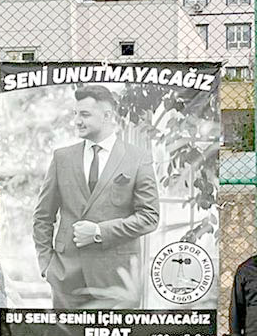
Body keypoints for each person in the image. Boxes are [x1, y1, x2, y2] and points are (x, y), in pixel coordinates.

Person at [31, 83, 160, 309]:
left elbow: (149, 217)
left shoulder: (138, 158)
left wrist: (100, 232)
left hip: (117, 281)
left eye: (85, 114)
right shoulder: (62, 158)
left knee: (118, 334)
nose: (77, 121)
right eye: (75, 114)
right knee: (64, 334)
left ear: (107, 116)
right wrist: (46, 265)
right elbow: (43, 217)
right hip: (65, 278)